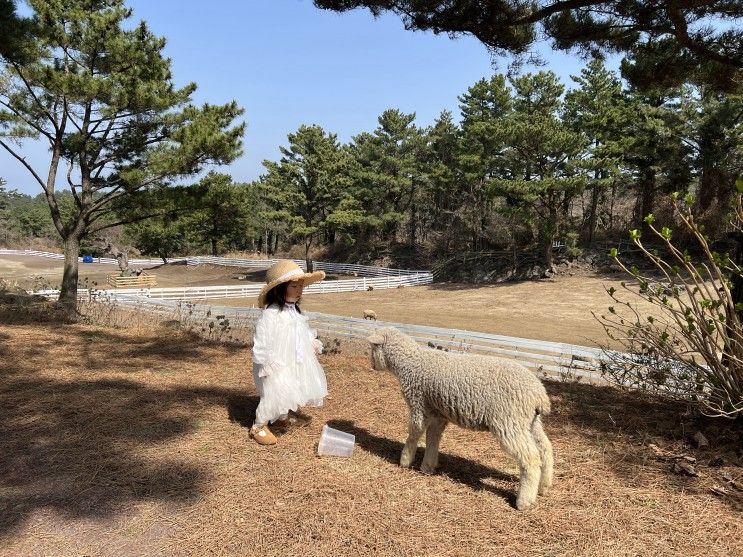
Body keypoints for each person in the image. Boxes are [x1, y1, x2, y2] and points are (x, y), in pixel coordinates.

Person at [249, 260, 328, 445]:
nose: (299, 290)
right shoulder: (271, 314)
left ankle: (282, 417)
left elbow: (301, 332)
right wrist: (266, 362)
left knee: (291, 388)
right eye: (294, 286)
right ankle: (259, 425)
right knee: (273, 392)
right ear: (280, 288)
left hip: (293, 359)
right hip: (275, 362)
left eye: (301, 286)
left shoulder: (295, 312)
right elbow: (262, 340)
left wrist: (311, 342)